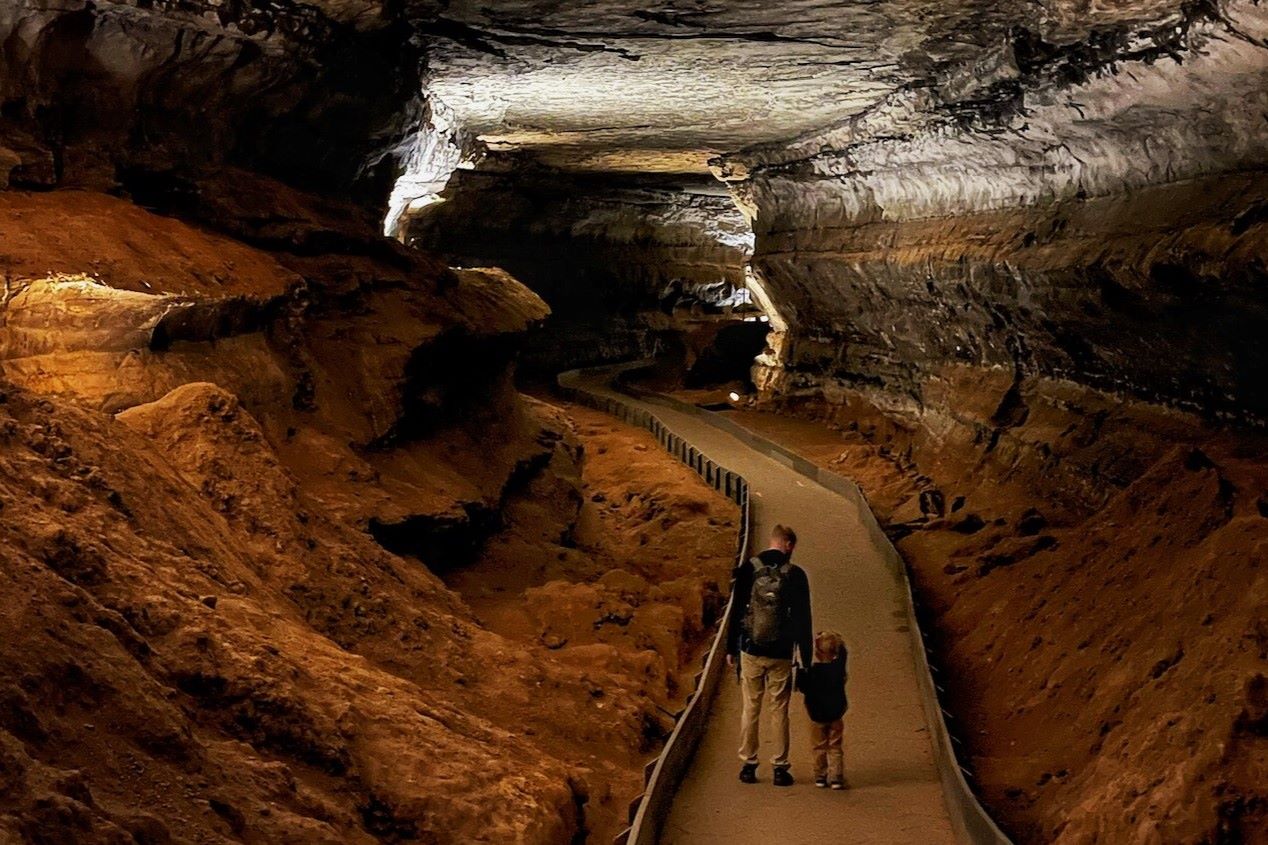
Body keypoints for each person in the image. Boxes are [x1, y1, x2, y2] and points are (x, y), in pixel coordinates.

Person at [726, 524, 812, 786]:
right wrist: (805, 655)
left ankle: (749, 764)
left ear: (770, 541)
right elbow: (803, 618)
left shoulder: (748, 570)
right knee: (779, 710)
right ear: (788, 544)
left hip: (751, 649)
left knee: (750, 707)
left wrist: (731, 648)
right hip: (782, 652)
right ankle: (779, 767)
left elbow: (737, 609)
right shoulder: (795, 574)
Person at [798, 630, 849, 789]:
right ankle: (837, 777)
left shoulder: (812, 671)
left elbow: (802, 686)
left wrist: (800, 668)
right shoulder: (838, 669)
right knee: (835, 745)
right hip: (835, 714)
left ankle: (820, 776)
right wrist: (837, 643)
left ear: (817, 653)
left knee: (818, 746)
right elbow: (844, 654)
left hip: (816, 715)